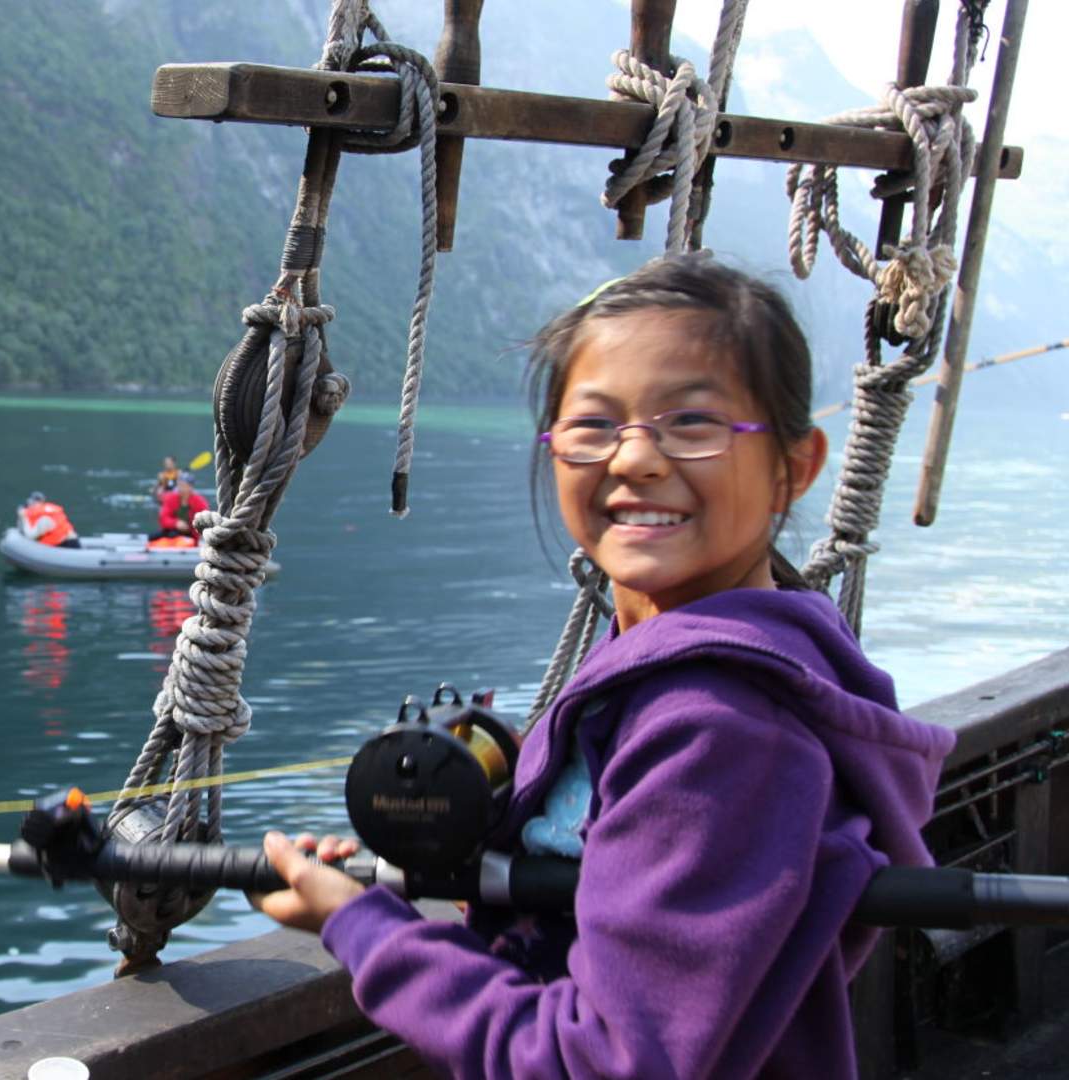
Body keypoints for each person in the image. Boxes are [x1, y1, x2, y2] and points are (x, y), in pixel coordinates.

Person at [255, 255, 955, 1079]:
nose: (634, 460)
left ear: (793, 468)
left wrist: (363, 929)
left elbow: (605, 1062)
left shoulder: (719, 729)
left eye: (693, 423)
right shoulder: (668, 674)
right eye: (593, 427)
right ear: (553, 452)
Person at [151, 473, 208, 542]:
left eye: (184, 486)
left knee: (174, 536)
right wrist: (176, 523)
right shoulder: (171, 498)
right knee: (152, 537)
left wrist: (188, 526)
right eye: (179, 485)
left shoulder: (200, 502)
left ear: (190, 487)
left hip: (190, 533)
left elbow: (204, 523)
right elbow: (163, 518)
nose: (181, 488)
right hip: (172, 530)